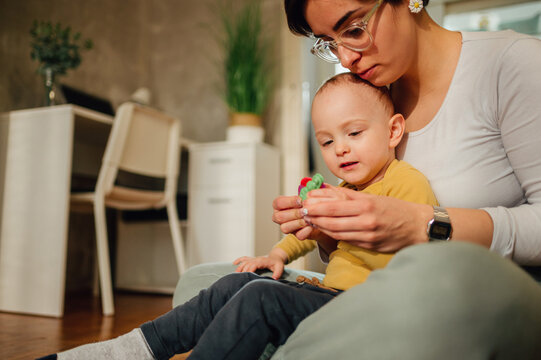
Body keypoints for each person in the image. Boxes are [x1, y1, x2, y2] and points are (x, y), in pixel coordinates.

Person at [173, 0, 541, 359]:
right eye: (328, 43)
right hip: (379, 292)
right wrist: (327, 230)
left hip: (482, 293)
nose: (346, 58)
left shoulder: (513, 63)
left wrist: (423, 224)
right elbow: (358, 260)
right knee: (201, 284)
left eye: (353, 29)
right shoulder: (367, 98)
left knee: (439, 290)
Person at [40, 69, 437, 360]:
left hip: (366, 306)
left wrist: (345, 232)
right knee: (240, 282)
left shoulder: (406, 183)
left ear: (393, 131)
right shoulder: (342, 191)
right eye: (328, 141)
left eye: (354, 133)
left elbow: (415, 253)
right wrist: (280, 254)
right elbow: (305, 233)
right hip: (332, 295)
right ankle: (134, 349)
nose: (341, 150)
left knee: (261, 298)